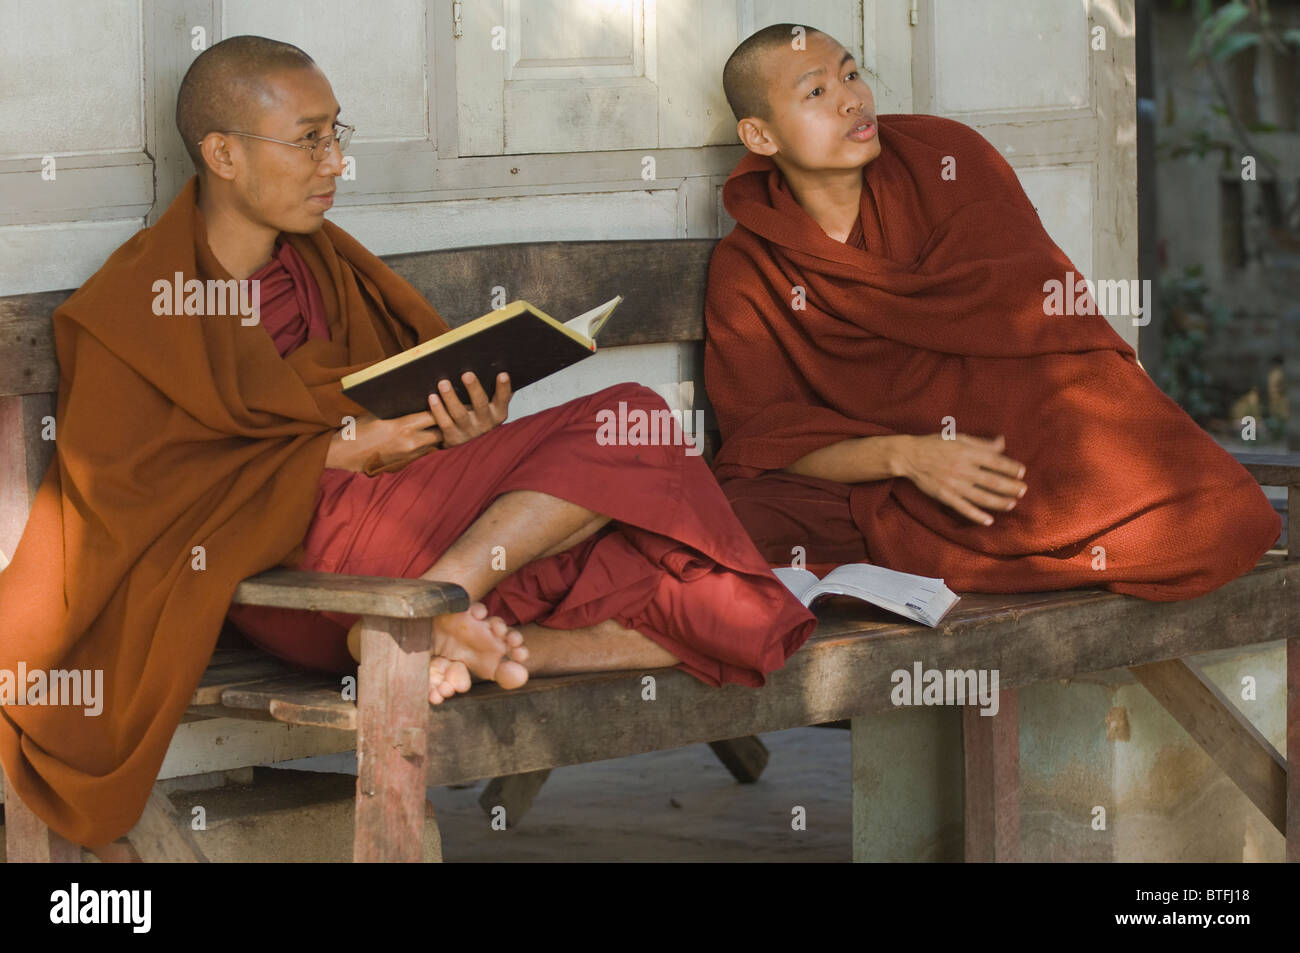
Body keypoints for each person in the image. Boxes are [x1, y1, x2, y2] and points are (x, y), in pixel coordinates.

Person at [0, 35, 815, 853]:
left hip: (407, 539)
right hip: (300, 568)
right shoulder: (138, 302)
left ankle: (451, 624)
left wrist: (457, 432)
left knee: (722, 591)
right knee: (625, 418)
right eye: (309, 138)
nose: (334, 163)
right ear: (223, 154)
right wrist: (341, 451)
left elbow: (395, 405)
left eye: (337, 135)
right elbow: (134, 495)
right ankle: (442, 612)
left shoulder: (327, 270)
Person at [704, 24, 1280, 596]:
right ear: (759, 136)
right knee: (732, 519)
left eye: (851, 74)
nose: (852, 99)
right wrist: (909, 456)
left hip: (1021, 452)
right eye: (816, 93)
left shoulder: (947, 160)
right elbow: (763, 443)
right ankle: (1006, 555)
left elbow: (1049, 337)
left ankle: (1007, 552)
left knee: (1224, 520)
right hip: (892, 485)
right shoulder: (751, 268)